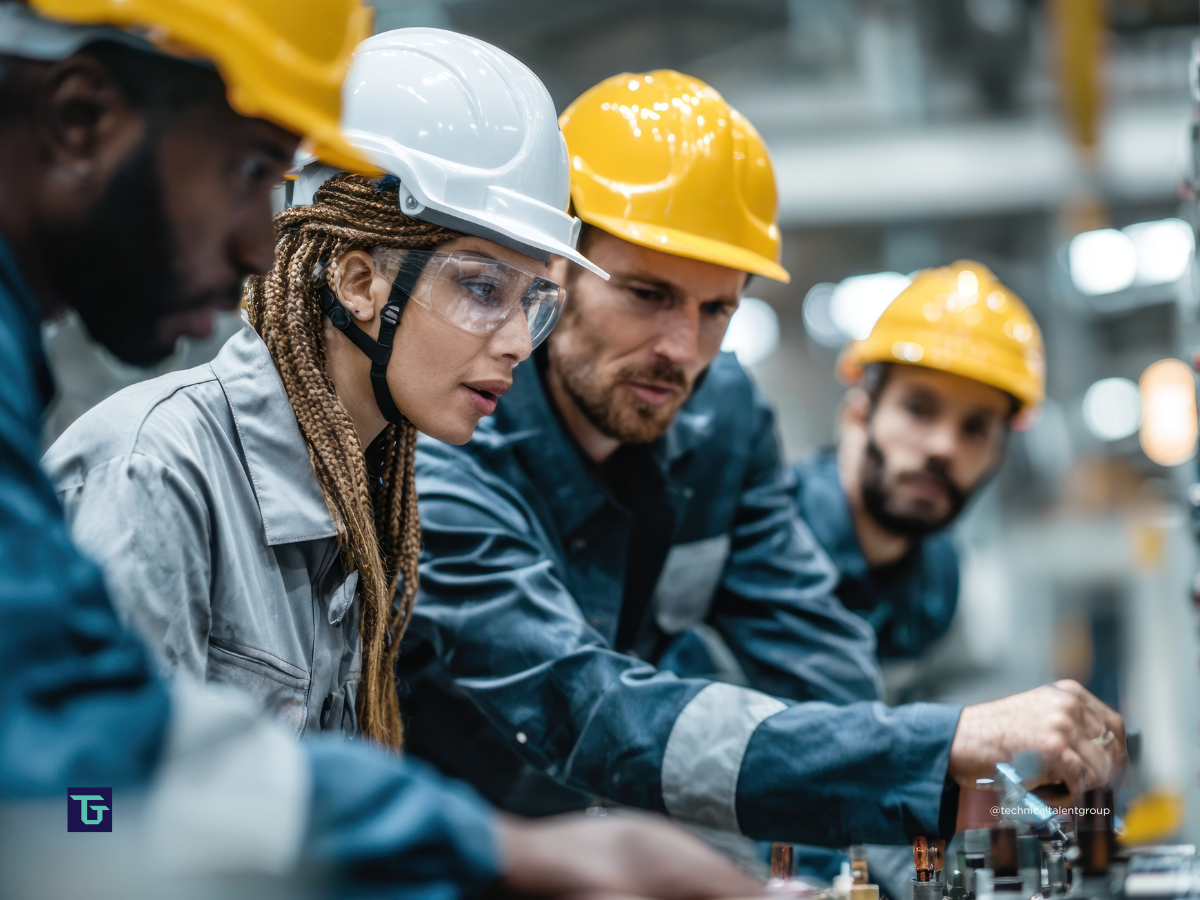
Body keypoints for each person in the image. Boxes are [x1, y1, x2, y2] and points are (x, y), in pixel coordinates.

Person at [0, 6, 763, 897]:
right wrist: (490, 851)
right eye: (482, 287)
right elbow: (81, 810)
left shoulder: (374, 501)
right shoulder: (157, 472)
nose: (519, 340)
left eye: (535, 300)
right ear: (359, 279)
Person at [400, 70, 1126, 849]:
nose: (682, 351)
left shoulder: (722, 420)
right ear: (554, 269)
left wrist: (915, 816)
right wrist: (937, 745)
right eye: (647, 293)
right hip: (438, 854)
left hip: (612, 849)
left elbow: (813, 653)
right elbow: (581, 705)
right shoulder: (449, 444)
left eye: (716, 309)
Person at [792, 261, 1042, 679]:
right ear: (857, 418)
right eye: (918, 410)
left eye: (976, 429)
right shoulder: (767, 533)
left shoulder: (941, 582)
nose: (944, 447)